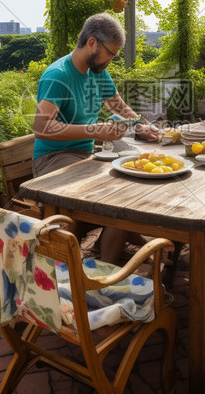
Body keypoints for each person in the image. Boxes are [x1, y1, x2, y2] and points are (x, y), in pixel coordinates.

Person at [32, 13, 160, 264]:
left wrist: (140, 126)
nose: (111, 60)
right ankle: (105, 277)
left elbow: (119, 107)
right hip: (52, 160)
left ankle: (113, 248)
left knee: (131, 180)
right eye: (110, 53)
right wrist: (93, 131)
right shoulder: (58, 76)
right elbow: (41, 127)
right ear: (92, 43)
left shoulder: (97, 72)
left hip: (84, 158)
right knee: (118, 197)